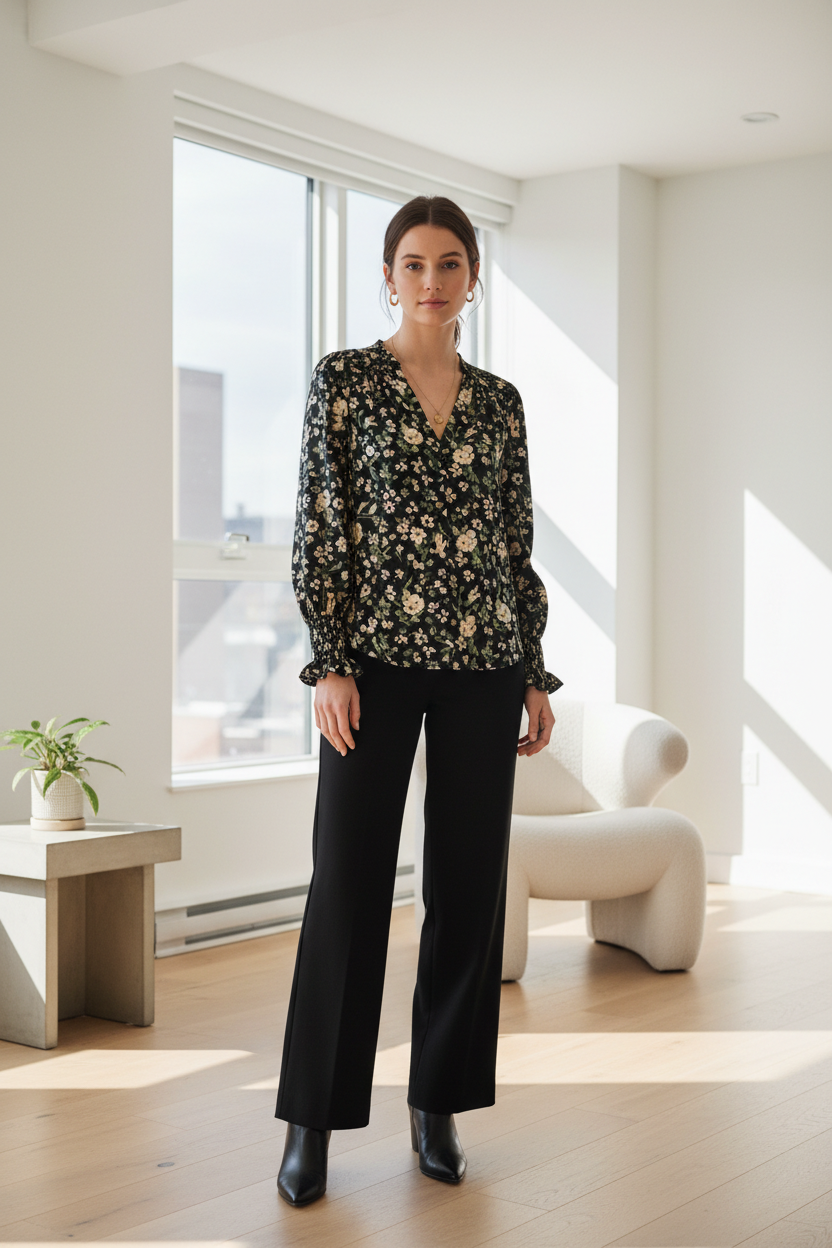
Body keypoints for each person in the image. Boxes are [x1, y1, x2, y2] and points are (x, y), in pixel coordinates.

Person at [275, 194, 563, 1206]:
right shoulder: (346, 384)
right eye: (412, 264)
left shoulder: (500, 402)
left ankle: (435, 1102)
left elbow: (510, 540)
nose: (431, 281)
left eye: (449, 263)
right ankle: (311, 1118)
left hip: (486, 660)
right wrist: (333, 660)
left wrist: (530, 666)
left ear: (472, 277)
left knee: (466, 887)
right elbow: (322, 525)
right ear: (387, 277)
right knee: (346, 883)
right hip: (377, 665)